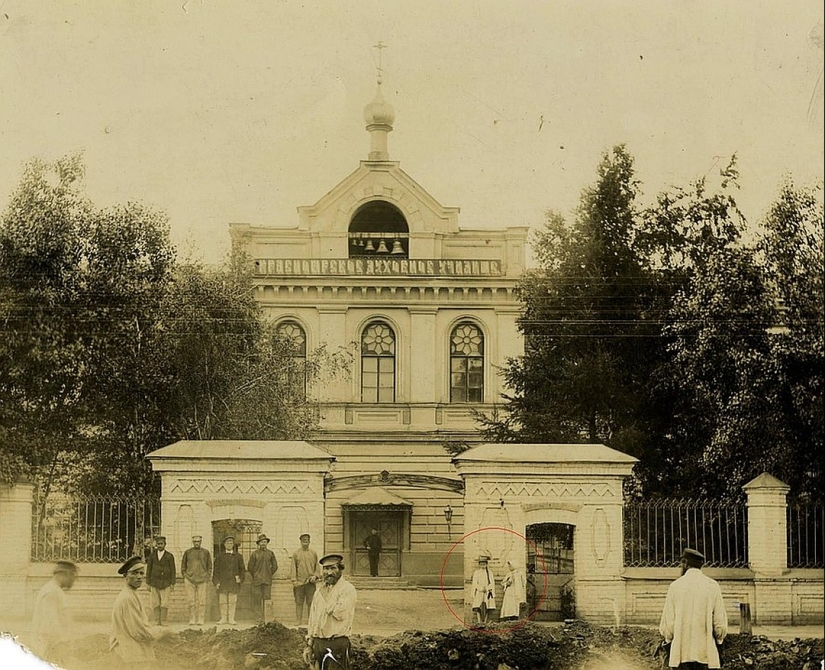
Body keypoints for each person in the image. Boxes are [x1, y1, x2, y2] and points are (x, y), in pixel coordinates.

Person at [659, 548, 728, 669]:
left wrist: (669, 641)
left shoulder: (675, 586)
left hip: (681, 655)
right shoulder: (712, 586)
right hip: (706, 655)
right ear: (701, 565)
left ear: (685, 563)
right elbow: (719, 624)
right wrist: (719, 642)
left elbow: (668, 625)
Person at [110, 556, 175, 667]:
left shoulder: (133, 594)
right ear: (125, 576)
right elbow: (138, 632)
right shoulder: (127, 598)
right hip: (128, 656)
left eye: (141, 573)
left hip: (132, 653)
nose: (139, 577)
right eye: (134, 573)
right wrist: (162, 632)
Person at [306, 553, 357, 669]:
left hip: (337, 644)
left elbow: (340, 614)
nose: (328, 573)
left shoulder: (347, 589)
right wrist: (309, 645)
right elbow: (313, 619)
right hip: (319, 644)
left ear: (340, 569)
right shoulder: (319, 592)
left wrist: (325, 594)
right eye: (325, 569)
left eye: (333, 568)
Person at [30, 560, 77, 665]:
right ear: (65, 574)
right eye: (72, 576)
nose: (73, 581)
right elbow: (50, 624)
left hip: (52, 648)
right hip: (51, 648)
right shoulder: (52, 592)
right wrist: (61, 646)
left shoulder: (54, 590)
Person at [212, 535, 245, 625]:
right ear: (224, 545)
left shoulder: (238, 557)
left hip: (233, 582)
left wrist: (240, 579)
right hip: (223, 582)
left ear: (233, 545)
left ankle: (231, 618)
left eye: (231, 543)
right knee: (223, 601)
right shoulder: (219, 557)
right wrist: (216, 582)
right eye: (227, 543)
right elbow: (216, 571)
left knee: (232, 601)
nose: (229, 545)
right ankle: (223, 618)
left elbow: (242, 569)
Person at [181, 534, 212, 626]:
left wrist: (207, 576)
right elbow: (183, 566)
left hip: (202, 579)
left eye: (198, 541)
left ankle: (200, 619)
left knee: (202, 601)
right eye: (195, 542)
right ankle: (192, 619)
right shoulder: (188, 552)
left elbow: (209, 566)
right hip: (190, 579)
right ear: (192, 542)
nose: (196, 543)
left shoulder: (206, 552)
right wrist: (185, 575)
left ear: (201, 542)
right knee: (191, 601)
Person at [247, 533, 279, 622]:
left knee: (267, 600)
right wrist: (256, 575)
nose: (263, 544)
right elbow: (250, 567)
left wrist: (269, 573)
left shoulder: (270, 553)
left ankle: (267, 618)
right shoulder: (255, 554)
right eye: (261, 542)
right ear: (258, 544)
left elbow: (275, 566)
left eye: (264, 542)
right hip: (257, 581)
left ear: (267, 543)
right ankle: (258, 619)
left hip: (267, 581)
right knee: (257, 600)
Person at [145, 535, 176, 625]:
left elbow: (173, 570)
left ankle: (163, 620)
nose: (160, 545)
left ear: (165, 544)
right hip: (154, 582)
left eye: (161, 544)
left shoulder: (169, 556)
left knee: (165, 603)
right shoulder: (152, 556)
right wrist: (148, 582)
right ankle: (156, 620)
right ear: (156, 545)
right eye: (158, 544)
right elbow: (149, 569)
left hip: (166, 583)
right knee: (155, 602)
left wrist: (172, 583)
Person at [291, 532, 321, 625]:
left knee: (310, 602)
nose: (305, 543)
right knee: (299, 602)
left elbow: (317, 567)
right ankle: (298, 620)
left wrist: (315, 576)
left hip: (310, 583)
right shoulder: (296, 553)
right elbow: (293, 567)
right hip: (299, 583)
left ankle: (310, 620)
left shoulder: (313, 553)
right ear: (300, 542)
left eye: (307, 541)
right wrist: (294, 580)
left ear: (309, 542)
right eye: (303, 541)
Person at [471, 553, 496, 624]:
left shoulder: (490, 572)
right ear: (479, 564)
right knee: (478, 606)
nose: (483, 565)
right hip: (479, 591)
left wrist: (487, 588)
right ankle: (479, 621)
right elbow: (475, 583)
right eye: (481, 564)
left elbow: (492, 583)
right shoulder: (477, 572)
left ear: (486, 564)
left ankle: (485, 621)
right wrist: (481, 588)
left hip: (488, 592)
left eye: (484, 563)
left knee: (488, 606)